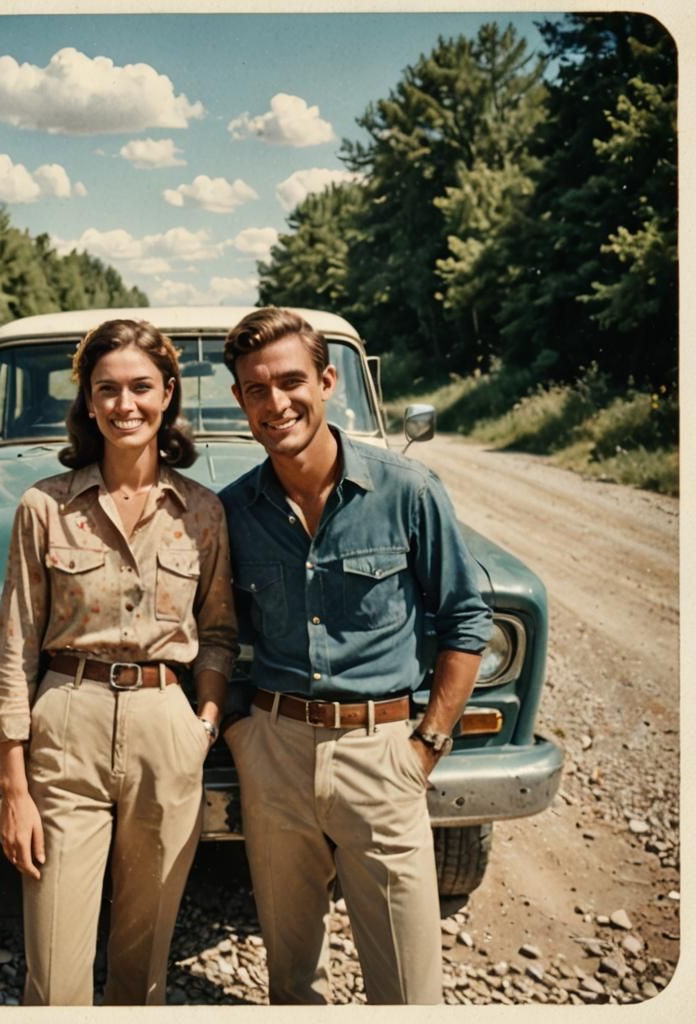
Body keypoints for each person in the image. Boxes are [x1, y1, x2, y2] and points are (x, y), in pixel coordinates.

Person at [218, 307, 492, 1005]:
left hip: (383, 752)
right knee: (291, 978)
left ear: (329, 381)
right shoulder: (232, 511)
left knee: (407, 985)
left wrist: (427, 743)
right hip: (274, 753)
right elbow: (216, 631)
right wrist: (241, 735)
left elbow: (466, 615)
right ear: (240, 400)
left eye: (290, 381)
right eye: (256, 389)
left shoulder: (408, 490)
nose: (276, 403)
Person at [0, 319, 237, 1006]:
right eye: (108, 390)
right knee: (56, 967)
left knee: (144, 960)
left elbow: (217, 632)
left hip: (167, 728)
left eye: (141, 388)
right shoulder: (45, 506)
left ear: (169, 394)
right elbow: (16, 641)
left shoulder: (204, 513)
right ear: (88, 404)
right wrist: (13, 785)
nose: (126, 405)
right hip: (67, 724)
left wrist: (202, 722)